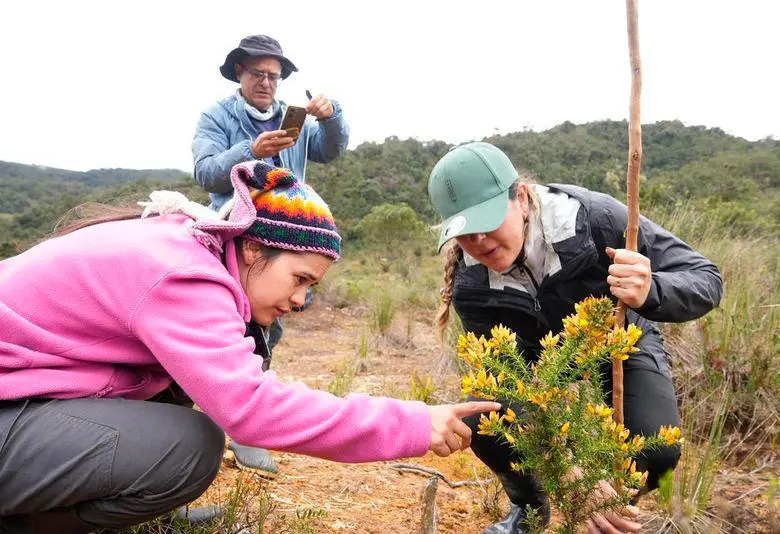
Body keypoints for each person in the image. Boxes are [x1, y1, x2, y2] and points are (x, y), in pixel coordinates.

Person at [0, 161, 499, 534]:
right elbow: (251, 409)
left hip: (19, 398)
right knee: (187, 448)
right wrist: (413, 423)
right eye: (300, 278)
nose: (301, 300)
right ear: (255, 248)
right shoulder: (186, 276)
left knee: (173, 395)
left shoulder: (184, 246)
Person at [427, 142, 723, 534]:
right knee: (486, 422)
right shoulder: (471, 283)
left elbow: (706, 279)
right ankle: (530, 509)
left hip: (614, 341)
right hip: (534, 364)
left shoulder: (595, 220)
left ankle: (611, 507)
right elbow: (502, 380)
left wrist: (650, 290)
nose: (479, 242)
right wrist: (564, 467)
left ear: (520, 198)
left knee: (656, 448)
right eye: (465, 234)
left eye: (487, 221)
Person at [191, 33, 350, 475]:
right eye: (258, 74)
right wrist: (249, 152)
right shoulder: (216, 116)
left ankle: (246, 426)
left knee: (265, 327)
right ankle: (189, 422)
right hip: (234, 234)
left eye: (274, 76)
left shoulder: (290, 118)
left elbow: (331, 148)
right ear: (239, 73)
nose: (266, 83)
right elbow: (205, 173)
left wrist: (333, 114)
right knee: (215, 323)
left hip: (284, 234)